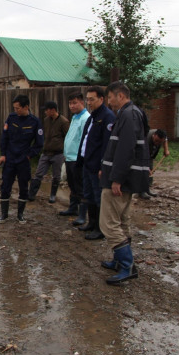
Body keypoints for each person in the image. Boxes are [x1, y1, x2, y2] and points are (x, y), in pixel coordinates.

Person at [99, 81, 150, 284]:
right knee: (121, 221)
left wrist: (116, 178)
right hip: (127, 177)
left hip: (121, 179)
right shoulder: (132, 113)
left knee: (109, 223)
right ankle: (120, 261)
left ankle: (127, 265)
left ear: (120, 96)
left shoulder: (128, 115)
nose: (109, 102)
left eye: (110, 97)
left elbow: (126, 149)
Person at [76, 86, 116, 240]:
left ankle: (100, 229)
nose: (88, 102)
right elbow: (86, 139)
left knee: (99, 197)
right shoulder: (92, 117)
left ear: (101, 99)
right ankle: (91, 223)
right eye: (87, 99)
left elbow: (107, 145)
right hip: (87, 163)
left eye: (91, 99)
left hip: (96, 166)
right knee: (88, 195)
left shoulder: (107, 117)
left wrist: (102, 166)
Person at [0, 95, 44, 224]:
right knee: (5, 186)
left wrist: (29, 155)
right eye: (15, 108)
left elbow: (39, 144)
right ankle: (4, 214)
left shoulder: (34, 122)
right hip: (10, 159)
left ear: (26, 107)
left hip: (23, 160)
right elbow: (4, 138)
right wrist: (3, 154)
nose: (16, 110)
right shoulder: (11, 118)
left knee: (23, 187)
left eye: (18, 108)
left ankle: (20, 215)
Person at [28, 101, 69, 203]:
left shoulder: (64, 122)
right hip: (46, 152)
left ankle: (53, 195)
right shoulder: (46, 120)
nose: (45, 112)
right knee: (39, 173)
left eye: (47, 110)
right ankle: (31, 194)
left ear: (53, 110)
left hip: (58, 153)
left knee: (56, 175)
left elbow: (68, 137)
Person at [59, 93, 90, 224]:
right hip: (69, 157)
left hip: (77, 159)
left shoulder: (85, 118)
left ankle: (82, 215)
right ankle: (73, 208)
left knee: (80, 186)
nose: (72, 106)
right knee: (72, 185)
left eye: (75, 103)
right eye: (70, 103)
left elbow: (85, 141)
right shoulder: (75, 117)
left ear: (82, 103)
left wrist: (81, 157)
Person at [139, 128, 170, 199]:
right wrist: (145, 167)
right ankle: (141, 191)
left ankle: (147, 189)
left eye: (159, 142)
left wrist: (166, 149)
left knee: (150, 170)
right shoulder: (146, 138)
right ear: (154, 135)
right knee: (144, 171)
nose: (157, 143)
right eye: (156, 141)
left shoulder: (162, 136)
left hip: (150, 155)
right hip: (143, 154)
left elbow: (165, 139)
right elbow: (143, 155)